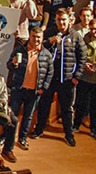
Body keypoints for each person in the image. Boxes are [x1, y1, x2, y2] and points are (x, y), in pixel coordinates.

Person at [31, 9, 86, 146]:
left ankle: (69, 134)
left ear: (69, 20)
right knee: (44, 105)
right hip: (50, 78)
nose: (61, 22)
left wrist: (76, 77)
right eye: (59, 20)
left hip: (67, 80)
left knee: (67, 109)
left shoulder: (76, 36)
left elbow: (83, 57)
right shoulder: (50, 33)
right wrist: (49, 42)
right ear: (55, 20)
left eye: (64, 20)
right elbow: (38, 48)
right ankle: (39, 129)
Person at [6, 27, 52, 151]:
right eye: (34, 36)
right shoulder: (19, 50)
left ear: (42, 38)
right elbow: (9, 65)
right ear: (30, 37)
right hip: (19, 89)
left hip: (34, 91)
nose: (36, 39)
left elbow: (50, 73)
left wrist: (44, 88)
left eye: (39, 37)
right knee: (12, 115)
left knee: (28, 116)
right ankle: (7, 138)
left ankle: (22, 138)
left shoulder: (47, 54)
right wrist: (14, 64)